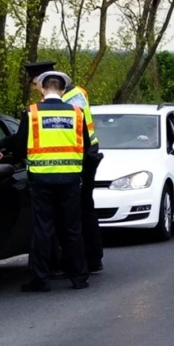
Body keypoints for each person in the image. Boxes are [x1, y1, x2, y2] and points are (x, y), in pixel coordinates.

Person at [0, 70, 91, 292]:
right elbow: (85, 145)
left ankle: (40, 279)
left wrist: (2, 150)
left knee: (43, 229)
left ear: (43, 89)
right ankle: (79, 278)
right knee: (72, 229)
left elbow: (19, 145)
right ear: (63, 90)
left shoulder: (32, 113)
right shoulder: (77, 113)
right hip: (70, 180)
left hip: (42, 180)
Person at [23, 61, 105, 273]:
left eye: (35, 83)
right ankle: (85, 262)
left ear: (44, 81)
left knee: (80, 211)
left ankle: (89, 260)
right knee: (80, 211)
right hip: (82, 154)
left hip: (82, 157)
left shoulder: (67, 100)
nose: (35, 89)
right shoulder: (76, 93)